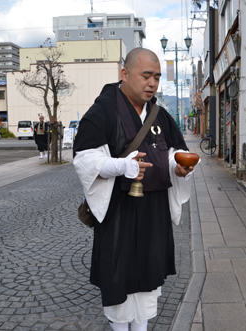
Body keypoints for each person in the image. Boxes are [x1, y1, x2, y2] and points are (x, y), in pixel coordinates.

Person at [72, 48, 194, 331]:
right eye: (146, 75)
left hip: (154, 211)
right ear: (125, 74)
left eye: (157, 77)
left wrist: (179, 167)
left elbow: (175, 151)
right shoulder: (102, 112)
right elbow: (85, 160)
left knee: (149, 274)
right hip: (119, 210)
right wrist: (119, 166)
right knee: (119, 274)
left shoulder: (160, 115)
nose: (152, 83)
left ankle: (141, 327)